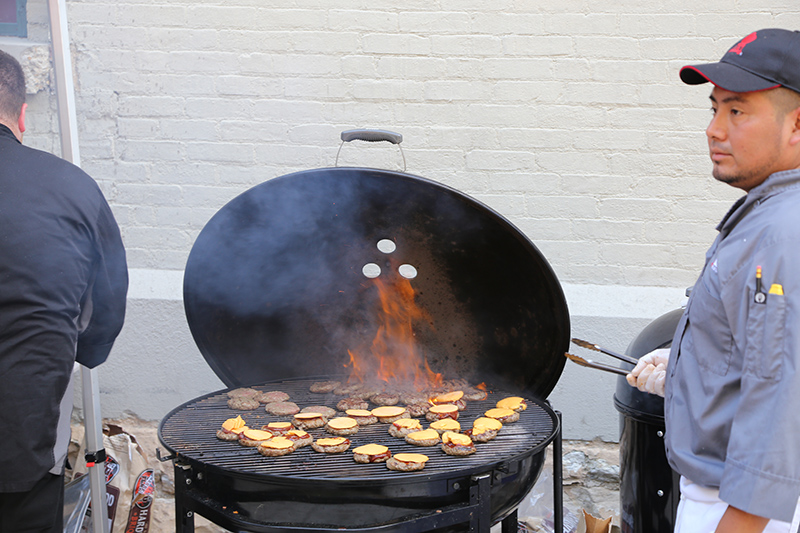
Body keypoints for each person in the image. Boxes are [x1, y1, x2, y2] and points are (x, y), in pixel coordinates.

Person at [627, 29, 800, 533]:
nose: (714, 129)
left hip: (743, 509)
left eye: (738, 111)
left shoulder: (781, 232)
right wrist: (683, 367)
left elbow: (780, 400)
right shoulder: (771, 210)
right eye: (714, 108)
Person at [0, 50, 128, 532]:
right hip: (23, 438)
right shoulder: (72, 188)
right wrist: (80, 350)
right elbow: (107, 305)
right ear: (23, 116)